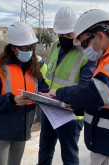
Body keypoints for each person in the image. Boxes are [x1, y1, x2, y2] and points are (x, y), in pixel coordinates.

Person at [48, 9, 109, 165]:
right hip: (108, 147)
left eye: (84, 43)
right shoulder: (108, 58)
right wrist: (74, 106)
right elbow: (103, 104)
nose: (82, 48)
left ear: (100, 36)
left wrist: (60, 93)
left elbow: (98, 92)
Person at [0, 21, 49, 165]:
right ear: (13, 48)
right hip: (2, 129)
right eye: (25, 47)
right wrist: (12, 100)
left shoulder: (34, 66)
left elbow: (43, 88)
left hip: (22, 127)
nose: (29, 50)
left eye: (31, 46)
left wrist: (49, 95)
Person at [37, 6, 97, 165]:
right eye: (60, 34)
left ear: (77, 31)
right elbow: (50, 74)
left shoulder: (87, 53)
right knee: (44, 150)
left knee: (69, 156)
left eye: (68, 34)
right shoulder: (56, 46)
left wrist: (58, 94)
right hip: (50, 109)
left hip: (70, 115)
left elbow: (85, 89)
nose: (64, 38)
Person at [34, 55, 48, 123]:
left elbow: (43, 79)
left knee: (40, 104)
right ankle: (38, 117)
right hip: (40, 87)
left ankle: (39, 118)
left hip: (43, 88)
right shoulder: (42, 66)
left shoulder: (44, 68)